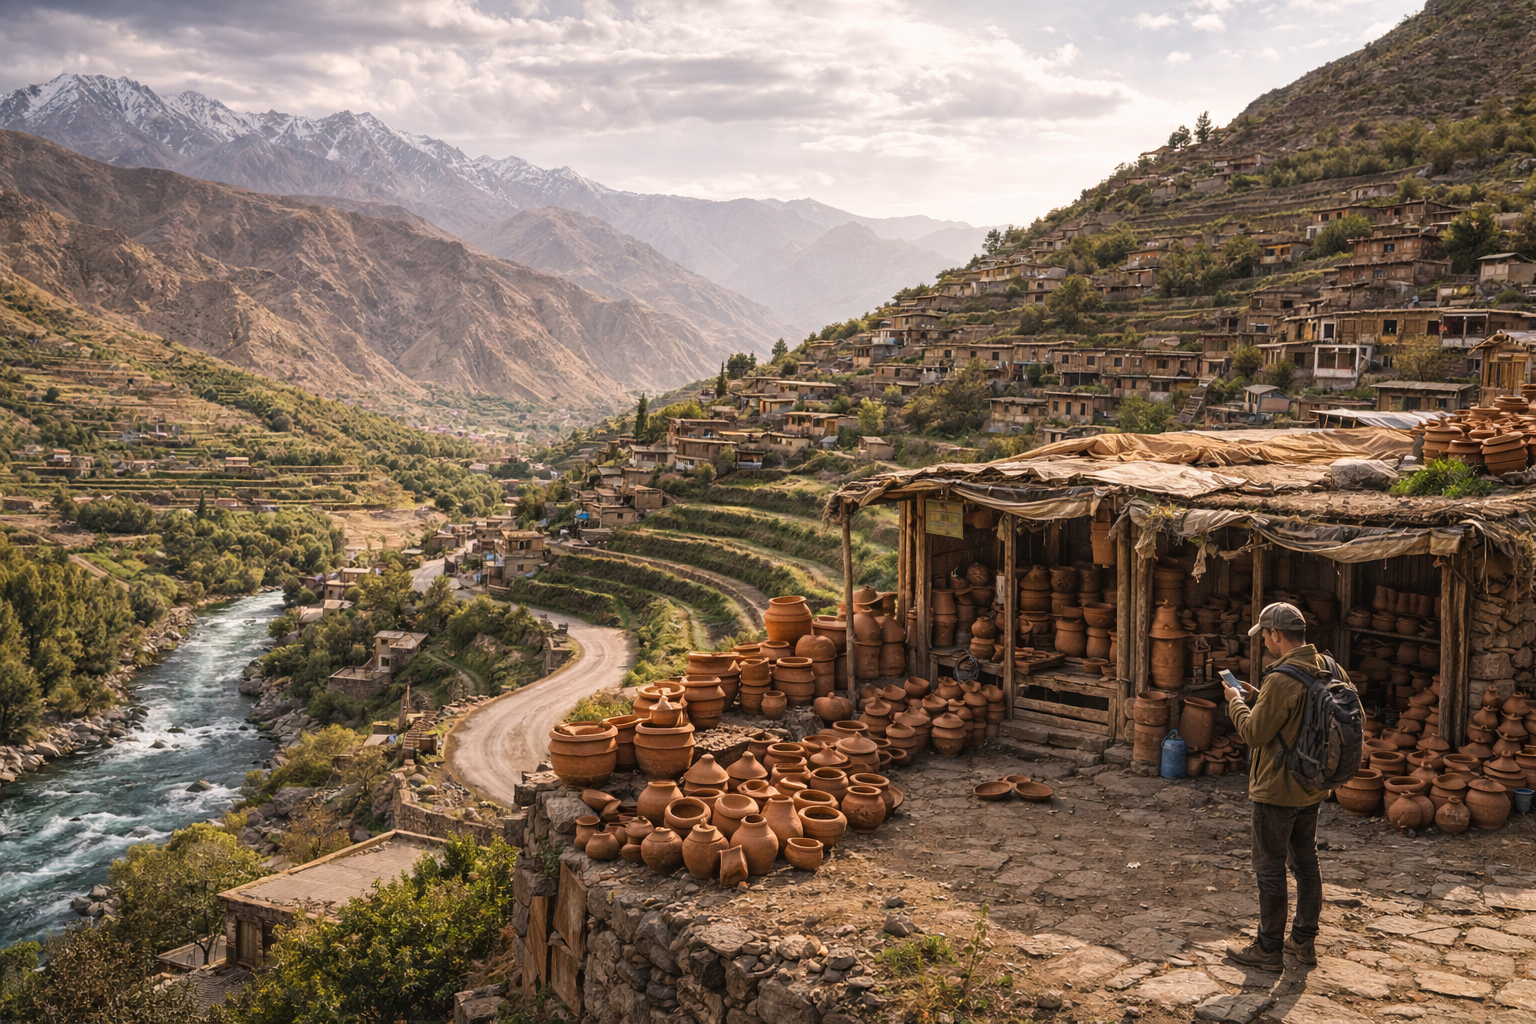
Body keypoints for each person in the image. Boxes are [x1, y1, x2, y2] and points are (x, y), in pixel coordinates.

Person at [1220, 601, 1342, 971]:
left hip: (1277, 788)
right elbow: (1304, 715)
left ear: (1275, 634)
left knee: (1270, 867)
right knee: (1306, 863)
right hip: (1312, 785)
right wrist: (1260, 698)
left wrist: (1236, 703)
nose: (1264, 643)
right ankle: (1303, 941)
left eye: (1265, 637)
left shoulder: (1282, 678)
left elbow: (1254, 734)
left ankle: (1268, 949)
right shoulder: (1328, 666)